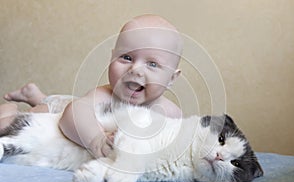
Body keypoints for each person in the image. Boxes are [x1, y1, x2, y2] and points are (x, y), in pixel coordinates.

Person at [0, 14, 183, 157]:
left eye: (152, 64)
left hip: (72, 101)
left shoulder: (171, 114)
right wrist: (97, 140)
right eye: (126, 57)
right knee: (18, 123)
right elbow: (69, 116)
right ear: (112, 57)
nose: (135, 69)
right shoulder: (104, 96)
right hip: (59, 109)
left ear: (172, 79)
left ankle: (34, 95)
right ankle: (14, 109)